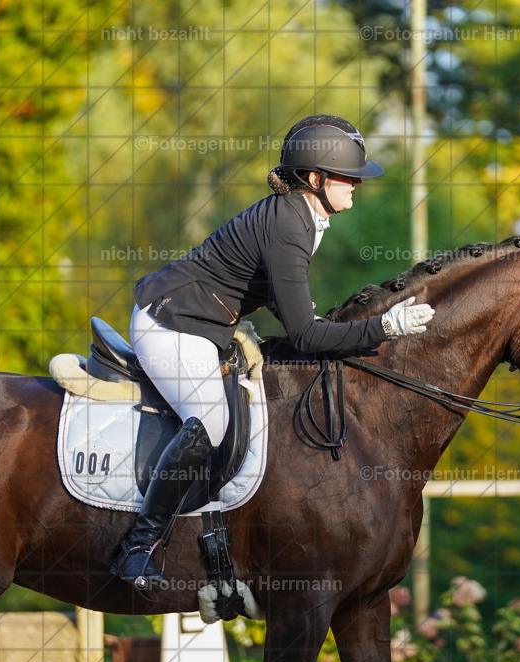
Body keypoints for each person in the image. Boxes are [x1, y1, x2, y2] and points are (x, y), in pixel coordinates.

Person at [110, 115, 435, 597]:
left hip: (206, 325)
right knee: (211, 420)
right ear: (317, 179)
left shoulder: (304, 216)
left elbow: (300, 322)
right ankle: (138, 547)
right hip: (170, 323)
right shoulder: (289, 225)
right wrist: (383, 328)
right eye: (350, 177)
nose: (357, 185)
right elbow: (305, 334)